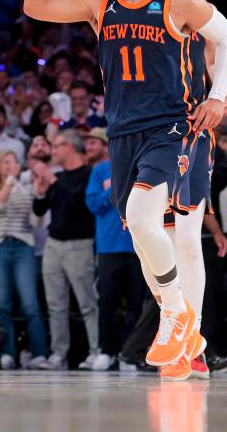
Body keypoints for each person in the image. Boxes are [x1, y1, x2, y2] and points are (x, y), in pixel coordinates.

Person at [24, 0, 227, 380]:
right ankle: (178, 321)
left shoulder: (180, 3)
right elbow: (36, 6)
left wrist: (219, 95)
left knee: (175, 232)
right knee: (146, 240)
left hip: (176, 128)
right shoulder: (98, 3)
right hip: (123, 135)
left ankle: (181, 323)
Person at [153, 0, 227, 379]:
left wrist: (221, 95)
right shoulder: (133, 14)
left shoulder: (195, 16)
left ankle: (194, 342)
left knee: (185, 240)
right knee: (154, 244)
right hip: (146, 137)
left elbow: (226, 68)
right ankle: (176, 327)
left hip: (189, 136)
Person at [31, 130, 100, 370]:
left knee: (87, 303)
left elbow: (78, 205)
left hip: (79, 244)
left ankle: (96, 351)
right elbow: (40, 209)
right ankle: (58, 354)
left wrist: (51, 181)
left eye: (57, 146)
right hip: (53, 243)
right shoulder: (58, 177)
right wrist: (40, 191)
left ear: (70, 146)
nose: (53, 151)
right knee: (55, 304)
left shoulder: (88, 175)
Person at [84, 127, 146, 372]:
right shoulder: (100, 171)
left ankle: (128, 352)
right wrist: (114, 186)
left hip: (137, 245)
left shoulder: (143, 167)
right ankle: (106, 350)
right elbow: (93, 205)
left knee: (136, 302)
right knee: (107, 300)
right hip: (109, 246)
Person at [0, 151, 49, 370]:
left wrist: (38, 195)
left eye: (14, 162)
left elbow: (35, 221)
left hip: (23, 247)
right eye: (7, 162)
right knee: (3, 304)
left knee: (30, 304)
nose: (11, 166)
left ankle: (39, 354)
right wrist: (10, 182)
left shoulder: (26, 189)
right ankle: (7, 353)